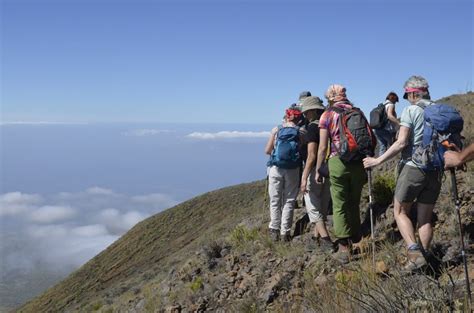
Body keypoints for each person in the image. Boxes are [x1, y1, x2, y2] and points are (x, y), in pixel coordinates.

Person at [363, 75, 442, 271]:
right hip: (435, 169)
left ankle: (414, 253)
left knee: (400, 211)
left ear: (414, 93)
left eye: (407, 95)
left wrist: (378, 160)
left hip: (413, 167)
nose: (407, 99)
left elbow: (401, 142)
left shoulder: (411, 110)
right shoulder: (438, 110)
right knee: (425, 218)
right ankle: (424, 257)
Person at [314, 84, 368, 263]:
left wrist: (319, 169)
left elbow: (322, 147)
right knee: (354, 201)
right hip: (359, 162)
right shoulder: (357, 112)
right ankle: (357, 238)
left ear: (331, 97)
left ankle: (344, 247)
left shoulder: (327, 115)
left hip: (338, 162)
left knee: (339, 204)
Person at [299, 96, 333, 252]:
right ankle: (315, 238)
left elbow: (312, 155)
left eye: (306, 112)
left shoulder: (313, 128)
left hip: (315, 170)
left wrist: (304, 176)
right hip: (330, 168)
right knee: (323, 205)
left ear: (313, 111)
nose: (305, 115)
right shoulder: (329, 124)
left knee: (313, 206)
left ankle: (327, 241)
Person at [265, 107, 305, 242]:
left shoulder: (277, 130)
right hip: (293, 169)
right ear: (299, 119)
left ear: (286, 117)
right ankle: (285, 232)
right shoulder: (301, 131)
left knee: (275, 200)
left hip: (276, 168)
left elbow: (267, 150)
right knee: (289, 200)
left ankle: (274, 229)